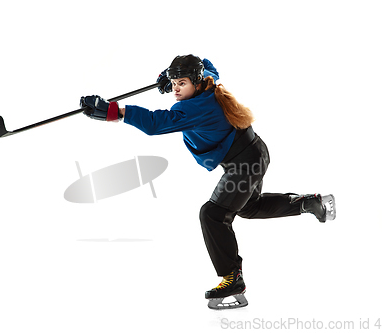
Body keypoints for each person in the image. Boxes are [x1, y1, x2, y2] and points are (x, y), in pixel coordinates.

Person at [79, 54, 336, 310]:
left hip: (245, 163)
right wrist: (171, 76)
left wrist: (114, 111)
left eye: (182, 83)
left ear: (196, 82)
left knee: (213, 214)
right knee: (248, 207)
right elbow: (208, 63)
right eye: (174, 83)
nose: (176, 89)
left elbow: (156, 124)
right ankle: (308, 204)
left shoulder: (193, 108)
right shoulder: (209, 83)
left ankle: (232, 279)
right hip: (253, 154)